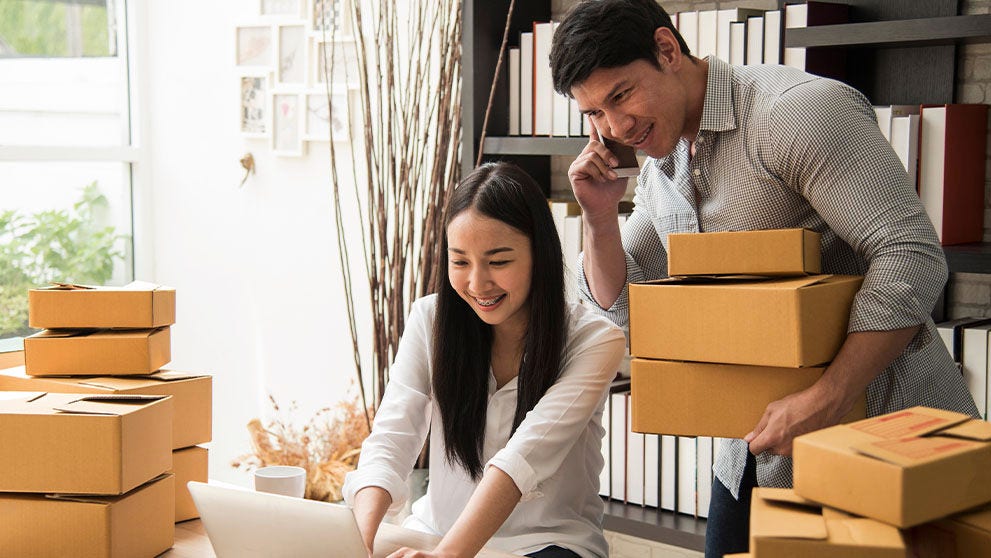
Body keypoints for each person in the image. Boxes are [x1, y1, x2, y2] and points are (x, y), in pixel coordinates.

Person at [548, 1, 980, 557]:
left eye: (621, 96)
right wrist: (600, 217)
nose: (615, 128)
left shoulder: (797, 113)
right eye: (594, 113)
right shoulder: (662, 163)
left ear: (667, 50)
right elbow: (625, 308)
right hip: (755, 451)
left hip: (885, 436)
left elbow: (911, 256)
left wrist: (827, 396)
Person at [342, 162, 626, 558]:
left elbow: (521, 461)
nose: (477, 284)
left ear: (539, 255)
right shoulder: (429, 320)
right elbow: (392, 439)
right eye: (460, 262)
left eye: (498, 261)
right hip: (436, 533)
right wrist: (357, 544)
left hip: (546, 544)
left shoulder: (595, 341)